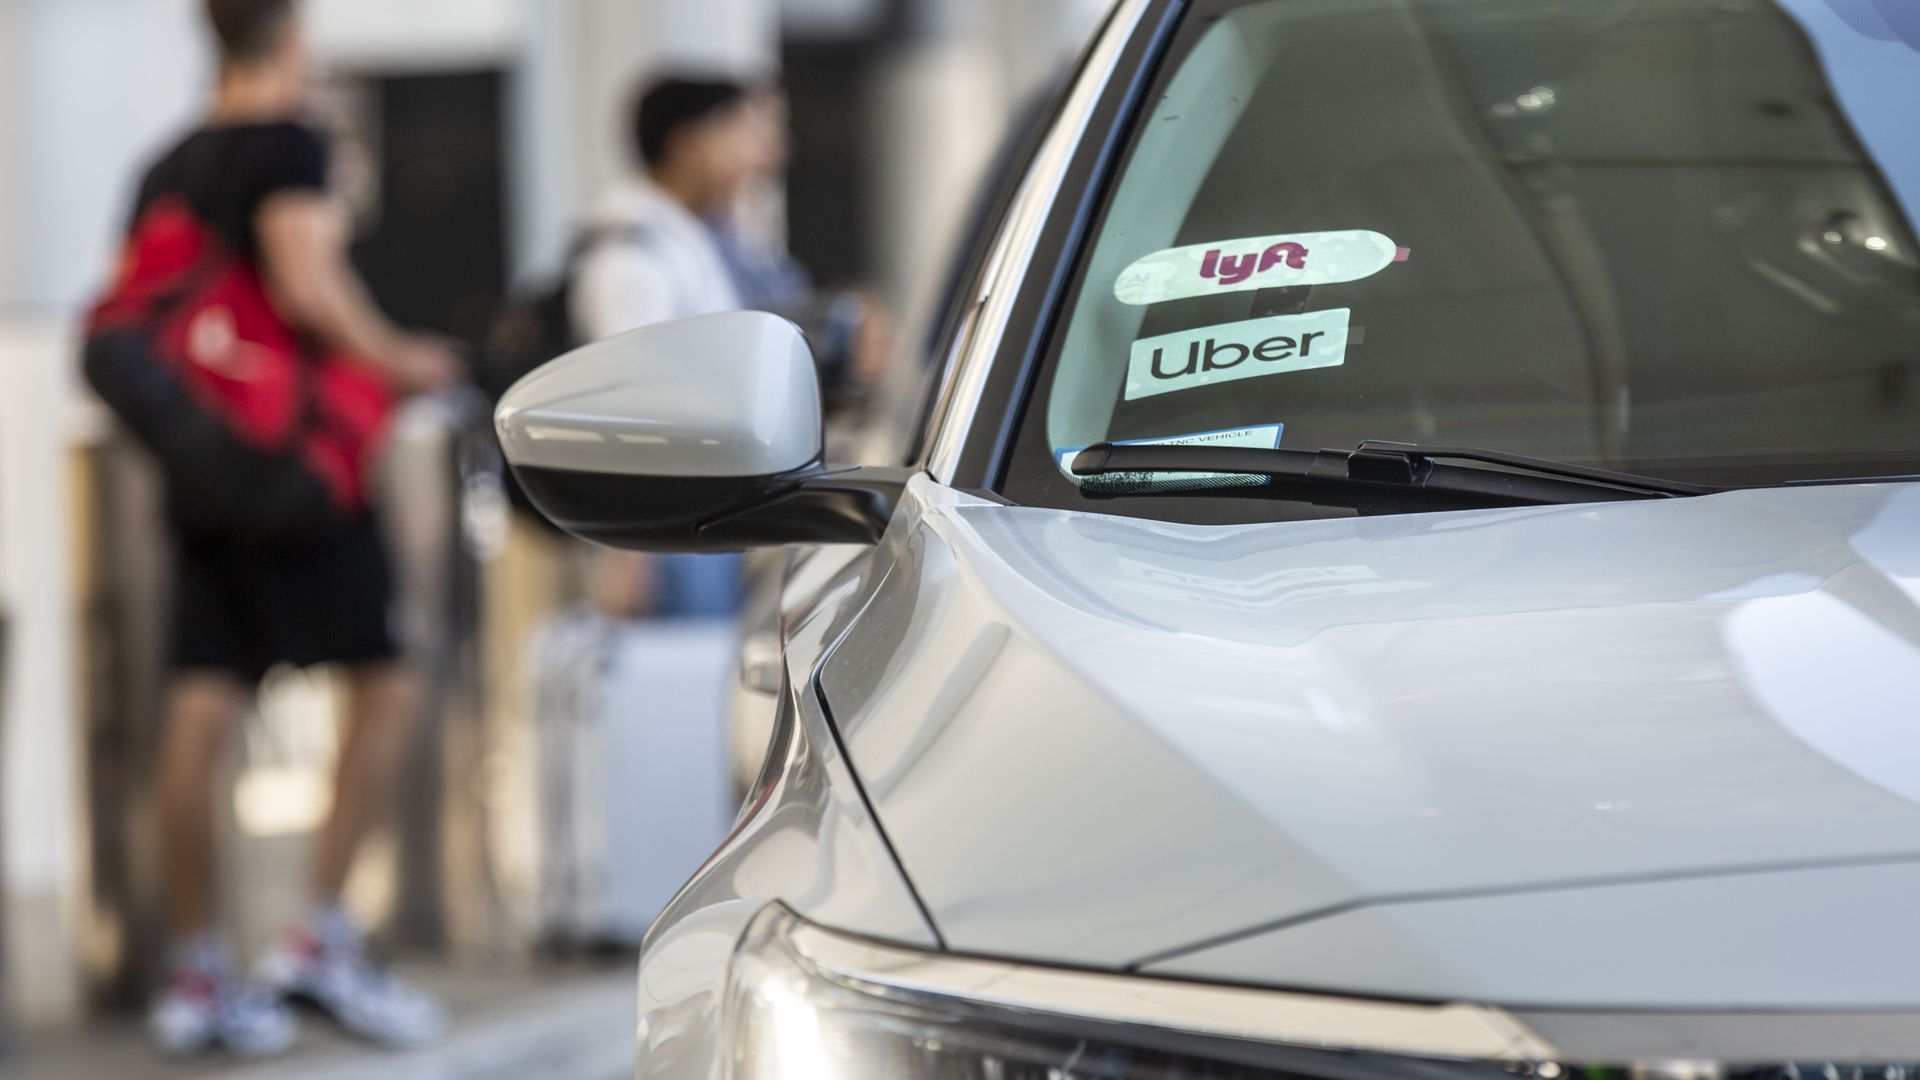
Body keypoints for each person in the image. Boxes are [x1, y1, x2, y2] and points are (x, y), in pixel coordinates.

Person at [136, 0, 460, 1058]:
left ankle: (195, 970)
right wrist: (401, 356)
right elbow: (310, 285)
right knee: (389, 677)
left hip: (204, 465)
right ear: (290, 35)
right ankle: (317, 940)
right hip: (298, 467)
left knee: (204, 704)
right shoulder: (291, 143)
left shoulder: (169, 162)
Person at [573, 76, 767, 618]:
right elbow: (629, 403)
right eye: (735, 134)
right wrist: (633, 554)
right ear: (688, 145)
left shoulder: (688, 234)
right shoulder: (633, 253)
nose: (750, 156)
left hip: (698, 511)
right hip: (669, 529)